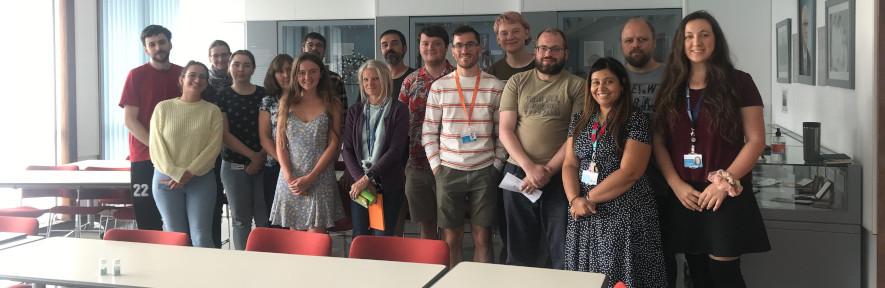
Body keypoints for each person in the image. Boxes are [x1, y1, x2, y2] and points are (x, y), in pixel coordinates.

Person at [653, 11, 770, 287]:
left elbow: (755, 140)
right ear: (680, 43)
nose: (697, 42)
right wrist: (675, 185)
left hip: (725, 194)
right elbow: (658, 141)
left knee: (724, 275)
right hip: (687, 194)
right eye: (689, 36)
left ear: (716, 40)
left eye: (705, 34)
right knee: (697, 272)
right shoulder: (670, 86)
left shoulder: (740, 82)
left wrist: (723, 182)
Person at [562, 57, 665, 287]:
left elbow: (631, 172)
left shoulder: (636, 120)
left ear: (622, 85)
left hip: (624, 214)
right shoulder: (580, 120)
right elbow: (569, 163)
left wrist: (587, 199)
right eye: (596, 82)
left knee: (621, 278)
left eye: (609, 81)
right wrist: (573, 200)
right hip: (584, 214)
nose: (601, 88)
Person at [499, 28, 585, 269]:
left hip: (560, 175)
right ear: (535, 51)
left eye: (555, 48)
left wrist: (546, 170)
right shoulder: (517, 81)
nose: (549, 53)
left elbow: (575, 135)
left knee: (560, 247)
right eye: (543, 48)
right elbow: (505, 130)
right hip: (518, 173)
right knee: (518, 246)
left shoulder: (577, 86)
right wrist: (530, 169)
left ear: (565, 53)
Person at [423, 25, 505, 267]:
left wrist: (497, 165)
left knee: (483, 238)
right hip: (449, 170)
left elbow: (503, 132)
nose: (465, 50)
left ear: (479, 48)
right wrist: (437, 168)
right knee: (451, 238)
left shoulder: (495, 86)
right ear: (452, 51)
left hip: (484, 170)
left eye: (470, 44)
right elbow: (428, 131)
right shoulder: (439, 87)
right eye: (459, 45)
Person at [620, 16, 675, 287]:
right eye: (629, 40)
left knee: (664, 248)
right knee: (628, 250)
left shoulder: (672, 75)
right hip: (624, 175)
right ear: (621, 45)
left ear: (654, 42)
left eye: (642, 39)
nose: (636, 45)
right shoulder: (615, 78)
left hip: (664, 175)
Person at [149, 61, 223, 248]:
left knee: (201, 237)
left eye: (202, 76)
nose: (197, 79)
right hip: (166, 180)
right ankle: (176, 277)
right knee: (176, 236)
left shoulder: (212, 111)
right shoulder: (163, 108)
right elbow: (156, 146)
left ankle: (205, 277)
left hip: (201, 180)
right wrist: (176, 173)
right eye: (192, 75)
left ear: (206, 83)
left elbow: (213, 148)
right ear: (182, 79)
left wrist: (188, 173)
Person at [269, 53, 344, 233]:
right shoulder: (285, 102)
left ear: (321, 74)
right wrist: (288, 176)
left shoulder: (332, 103)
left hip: (320, 176)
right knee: (295, 244)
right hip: (291, 177)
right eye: (301, 72)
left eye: (313, 72)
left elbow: (334, 143)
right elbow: (280, 143)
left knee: (317, 240)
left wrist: (311, 177)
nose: (307, 77)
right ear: (295, 75)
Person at [119, 24, 182, 231]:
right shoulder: (135, 76)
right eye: (152, 44)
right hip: (144, 157)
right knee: (147, 218)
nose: (158, 48)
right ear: (146, 49)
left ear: (170, 44)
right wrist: (156, 148)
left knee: (178, 220)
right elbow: (130, 120)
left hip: (178, 158)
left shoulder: (184, 75)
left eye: (162, 42)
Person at [398, 25, 454, 240]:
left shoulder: (457, 78)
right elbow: (400, 124)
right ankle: (432, 269)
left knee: (451, 226)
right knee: (426, 226)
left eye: (436, 44)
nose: (430, 48)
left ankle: (451, 269)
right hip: (417, 164)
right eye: (425, 43)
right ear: (419, 47)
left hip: (451, 164)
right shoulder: (410, 81)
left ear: (446, 47)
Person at [342, 60, 409, 236]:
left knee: (381, 238)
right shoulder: (355, 111)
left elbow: (395, 151)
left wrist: (367, 179)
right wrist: (361, 180)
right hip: (359, 186)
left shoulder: (399, 110)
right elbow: (347, 149)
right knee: (360, 236)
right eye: (365, 79)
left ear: (385, 80)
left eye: (375, 79)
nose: (369, 84)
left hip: (387, 184)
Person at [217, 50, 268, 250]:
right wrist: (252, 157)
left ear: (253, 69)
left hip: (264, 164)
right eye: (236, 64)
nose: (241, 69)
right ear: (229, 67)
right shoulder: (222, 95)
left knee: (264, 219)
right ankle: (242, 265)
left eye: (246, 65)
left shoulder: (264, 94)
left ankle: (267, 264)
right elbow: (224, 134)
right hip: (233, 166)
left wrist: (260, 157)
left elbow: (272, 130)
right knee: (240, 220)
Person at [259, 54, 294, 226]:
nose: (286, 75)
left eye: (289, 70)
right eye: (280, 71)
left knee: (299, 221)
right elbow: (265, 137)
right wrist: (284, 162)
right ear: (273, 75)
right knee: (276, 222)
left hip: (302, 167)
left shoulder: (306, 99)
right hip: (274, 167)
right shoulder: (268, 101)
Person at [204, 39, 231, 248]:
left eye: (224, 54)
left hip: (233, 150)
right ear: (210, 58)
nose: (220, 59)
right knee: (210, 202)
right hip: (207, 152)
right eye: (216, 55)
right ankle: (212, 244)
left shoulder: (238, 78)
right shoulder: (202, 84)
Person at [302, 32, 348, 108]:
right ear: (303, 49)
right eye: (310, 45)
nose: (314, 48)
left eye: (319, 45)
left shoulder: (334, 79)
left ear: (324, 51)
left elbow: (343, 112)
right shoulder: (294, 76)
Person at [487, 11, 535, 81]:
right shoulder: (493, 72)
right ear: (498, 39)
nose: (510, 37)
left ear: (526, 34)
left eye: (516, 31)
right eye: (504, 33)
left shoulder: (542, 66)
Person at [380, 29, 416, 98]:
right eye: (385, 45)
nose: (389, 48)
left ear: (404, 49)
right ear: (381, 51)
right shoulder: (374, 78)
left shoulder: (416, 77)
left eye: (395, 44)